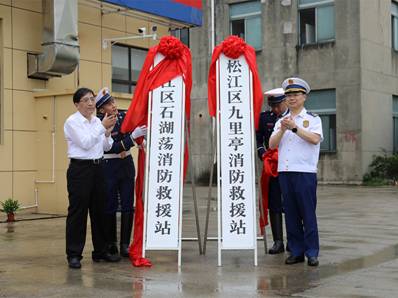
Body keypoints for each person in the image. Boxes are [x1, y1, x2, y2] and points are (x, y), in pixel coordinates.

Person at [64, 87, 120, 269]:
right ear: (76, 104)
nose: (90, 103)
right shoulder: (72, 122)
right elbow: (86, 143)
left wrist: (107, 131)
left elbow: (105, 146)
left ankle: (101, 251)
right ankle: (74, 254)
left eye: (92, 99)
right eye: (86, 100)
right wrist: (101, 127)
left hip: (99, 168)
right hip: (80, 170)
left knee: (100, 211)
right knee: (78, 213)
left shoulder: (97, 121)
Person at [269, 78, 323, 267]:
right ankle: (296, 251)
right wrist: (283, 129)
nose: (291, 98)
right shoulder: (280, 121)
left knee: (307, 213)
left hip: (305, 171)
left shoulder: (313, 119)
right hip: (285, 171)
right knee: (290, 213)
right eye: (288, 95)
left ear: (304, 97)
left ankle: (312, 252)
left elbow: (315, 139)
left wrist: (295, 128)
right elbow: (271, 145)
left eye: (295, 95)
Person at [95, 88, 147, 257]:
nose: (113, 105)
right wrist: (131, 140)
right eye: (109, 104)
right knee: (109, 205)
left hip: (125, 166)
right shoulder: (98, 123)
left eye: (113, 101)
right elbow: (113, 147)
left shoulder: (124, 117)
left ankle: (125, 244)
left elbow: (126, 140)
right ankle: (112, 244)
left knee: (127, 205)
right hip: (109, 166)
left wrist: (133, 140)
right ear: (102, 109)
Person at [256, 87, 288, 254]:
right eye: (272, 106)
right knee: (274, 203)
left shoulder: (292, 117)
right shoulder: (264, 118)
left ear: (285, 102)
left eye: (278, 105)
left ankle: (293, 240)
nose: (275, 109)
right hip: (272, 167)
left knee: (291, 204)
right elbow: (259, 140)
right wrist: (263, 154)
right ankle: (278, 242)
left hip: (290, 166)